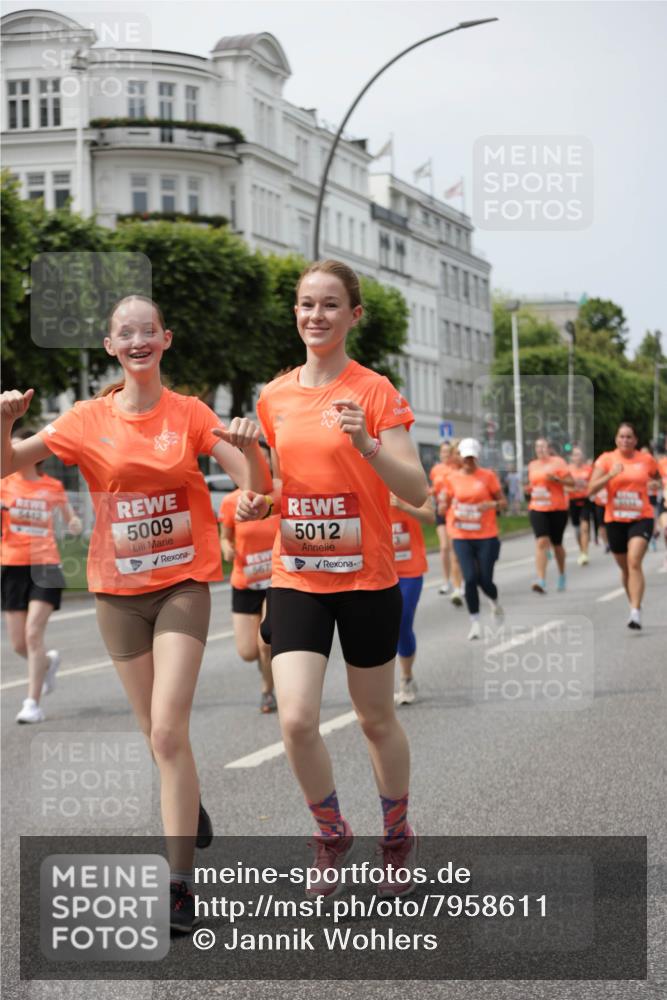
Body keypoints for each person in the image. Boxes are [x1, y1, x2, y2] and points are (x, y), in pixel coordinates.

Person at [0, 295, 271, 933]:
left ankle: (180, 886)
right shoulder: (85, 419)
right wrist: (5, 423)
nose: (139, 339)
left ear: (166, 340)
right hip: (116, 593)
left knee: (170, 732)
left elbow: (256, 492)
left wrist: (251, 453)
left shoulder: (192, 414)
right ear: (111, 345)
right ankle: (189, 801)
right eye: (127, 332)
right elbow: (7, 463)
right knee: (156, 734)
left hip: (182, 583)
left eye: (149, 330)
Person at [239, 259, 428, 899]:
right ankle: (330, 832)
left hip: (367, 577)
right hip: (297, 575)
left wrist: (368, 445)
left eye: (328, 305)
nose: (314, 315)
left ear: (354, 315)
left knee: (374, 717)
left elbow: (418, 489)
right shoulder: (274, 396)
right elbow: (273, 487)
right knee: (295, 720)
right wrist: (254, 501)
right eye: (305, 304)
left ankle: (397, 833)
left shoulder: (376, 392)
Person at [1, 428, 82, 722]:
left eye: (17, 448)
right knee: (19, 644)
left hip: (46, 565)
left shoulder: (52, 487)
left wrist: (74, 525)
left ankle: (31, 703)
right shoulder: (4, 484)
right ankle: (47, 662)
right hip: (12, 565)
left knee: (34, 634)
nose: (11, 453)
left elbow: (71, 519)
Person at [218, 450, 280, 713]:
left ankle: (268, 692)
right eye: (255, 457)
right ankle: (266, 668)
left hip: (275, 581)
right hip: (245, 581)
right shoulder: (231, 502)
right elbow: (225, 537)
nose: (260, 462)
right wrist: (226, 549)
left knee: (264, 644)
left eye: (265, 457)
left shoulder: (278, 496)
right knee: (247, 651)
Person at [588, 423, 660, 629]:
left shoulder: (645, 460)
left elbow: (657, 477)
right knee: (625, 567)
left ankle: (635, 612)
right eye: (622, 437)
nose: (625, 440)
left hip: (641, 517)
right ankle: (634, 603)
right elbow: (591, 488)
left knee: (634, 561)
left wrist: (657, 485)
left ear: (636, 441)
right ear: (616, 439)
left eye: (629, 437)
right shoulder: (606, 460)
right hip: (615, 519)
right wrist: (610, 475)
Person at [440, 439, 506, 640]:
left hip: (486, 535)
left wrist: (491, 505)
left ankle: (494, 601)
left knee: (485, 579)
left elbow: (503, 503)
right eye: (465, 457)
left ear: (476, 457)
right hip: (461, 535)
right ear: (459, 457)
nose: (468, 461)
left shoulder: (488, 476)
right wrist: (442, 506)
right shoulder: (451, 478)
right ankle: (475, 622)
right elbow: (445, 503)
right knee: (469, 579)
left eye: (471, 457)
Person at [389, 490, 435, 705]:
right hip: (378, 570)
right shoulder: (365, 482)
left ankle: (406, 677)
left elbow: (430, 517)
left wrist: (403, 505)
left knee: (402, 621)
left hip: (410, 569)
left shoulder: (408, 481)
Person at [526, 438, 574, 593]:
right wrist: (529, 489)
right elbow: (534, 484)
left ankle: (562, 574)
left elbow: (571, 483)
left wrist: (557, 479)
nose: (540, 449)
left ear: (549, 448)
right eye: (537, 446)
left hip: (557, 508)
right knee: (541, 541)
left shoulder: (558, 462)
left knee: (557, 544)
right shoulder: (532, 465)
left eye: (543, 446)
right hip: (538, 507)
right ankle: (541, 580)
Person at [431, 441, 464, 606]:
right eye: (443, 452)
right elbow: (433, 489)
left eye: (448, 452)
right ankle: (446, 581)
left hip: (454, 511)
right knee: (444, 547)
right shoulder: (435, 470)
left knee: (453, 548)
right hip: (440, 509)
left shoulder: (456, 468)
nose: (445, 454)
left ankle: (458, 580)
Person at [567, 446, 594, 566]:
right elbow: (563, 486)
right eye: (575, 455)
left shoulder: (588, 469)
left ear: (582, 457)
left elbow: (593, 484)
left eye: (579, 454)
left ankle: (585, 554)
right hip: (573, 501)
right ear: (572, 457)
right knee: (577, 530)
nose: (577, 457)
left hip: (585, 500)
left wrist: (589, 489)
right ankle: (581, 549)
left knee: (585, 527)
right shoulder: (568, 470)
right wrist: (572, 488)